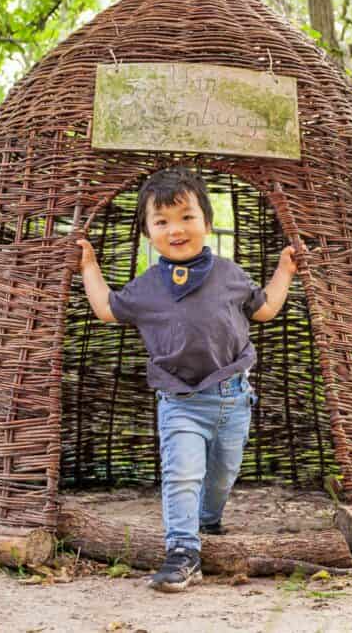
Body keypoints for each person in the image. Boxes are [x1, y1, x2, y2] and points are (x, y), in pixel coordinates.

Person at [74, 166, 298, 592]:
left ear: (208, 224)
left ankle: (207, 522)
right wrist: (89, 265)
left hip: (233, 397)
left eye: (186, 217)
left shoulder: (230, 275)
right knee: (182, 475)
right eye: (161, 221)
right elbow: (105, 308)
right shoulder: (147, 287)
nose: (175, 229)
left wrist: (285, 269)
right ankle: (182, 552)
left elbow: (265, 308)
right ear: (146, 233)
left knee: (221, 475)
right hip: (180, 401)